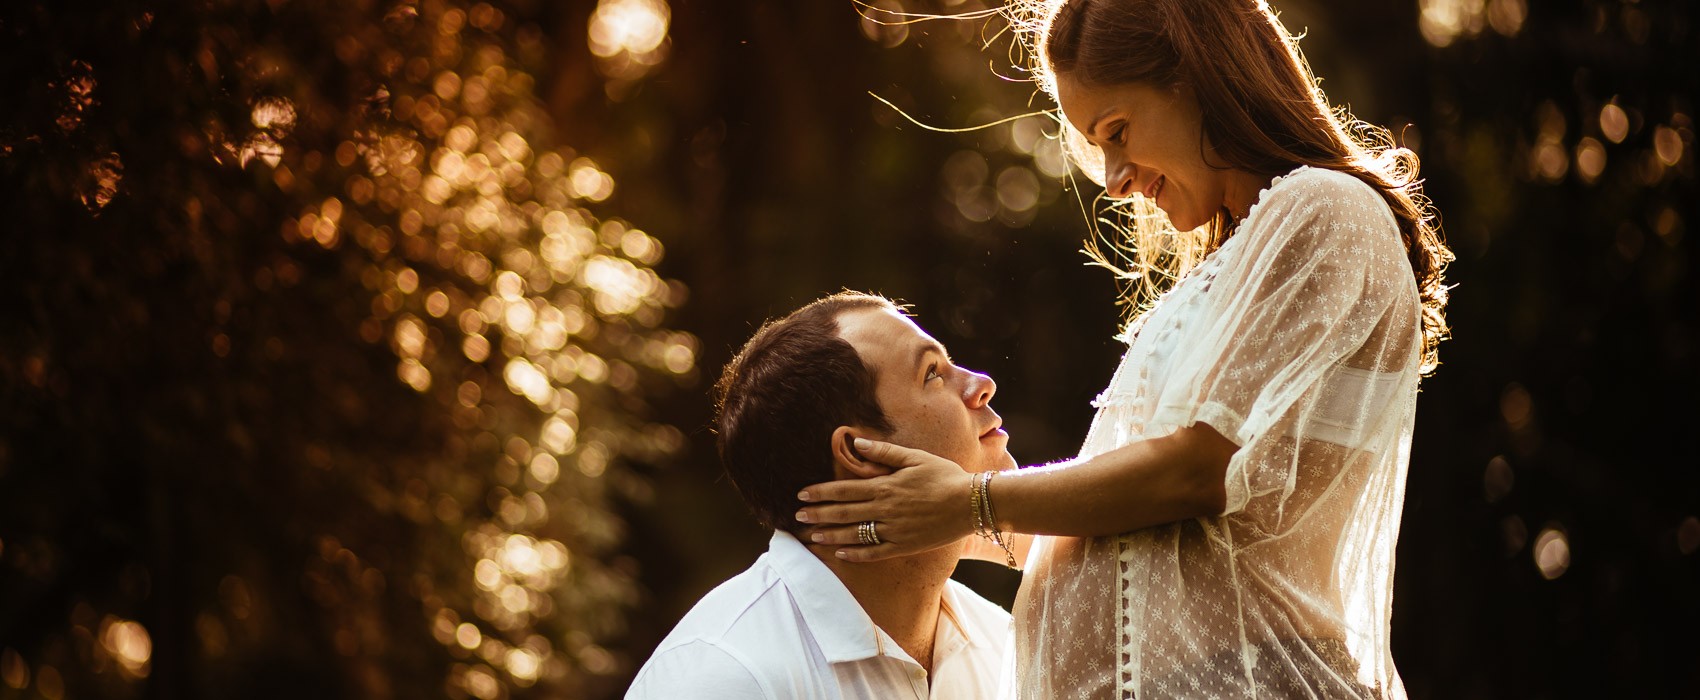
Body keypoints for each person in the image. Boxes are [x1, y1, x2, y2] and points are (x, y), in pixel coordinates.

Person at [793, 0, 1453, 697]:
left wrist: (972, 503)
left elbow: (1202, 469)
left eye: (1117, 131)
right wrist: (926, 509)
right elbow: (1141, 543)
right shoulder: (1238, 259)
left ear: (1196, 77)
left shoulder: (1323, 208)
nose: (1115, 178)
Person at [626, 292, 1018, 699]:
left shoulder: (1001, 642)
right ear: (857, 452)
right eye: (932, 373)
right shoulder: (725, 677)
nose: (982, 383)